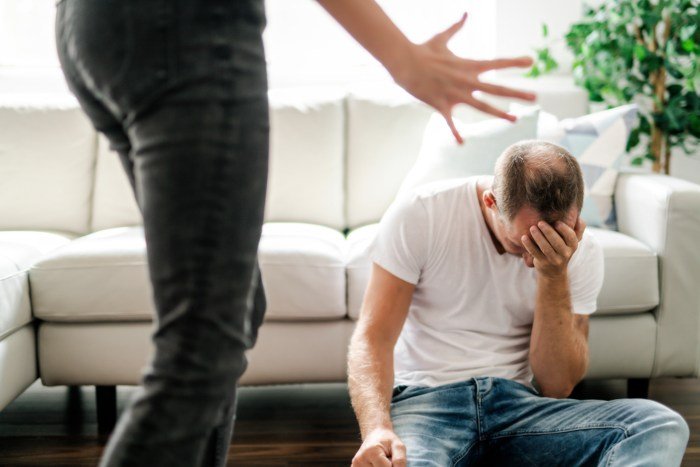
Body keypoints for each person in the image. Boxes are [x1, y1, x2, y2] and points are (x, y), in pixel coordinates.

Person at [54, 0, 536, 465]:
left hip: (98, 25)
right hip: (184, 28)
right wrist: (402, 57)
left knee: (237, 310)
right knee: (203, 340)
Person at [348, 140, 690, 466]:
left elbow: (558, 386)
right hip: (427, 403)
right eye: (521, 244)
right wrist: (377, 427)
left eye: (550, 240)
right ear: (490, 202)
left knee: (659, 424)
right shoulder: (422, 212)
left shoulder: (579, 250)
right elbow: (372, 337)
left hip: (518, 408)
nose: (534, 257)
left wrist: (554, 276)